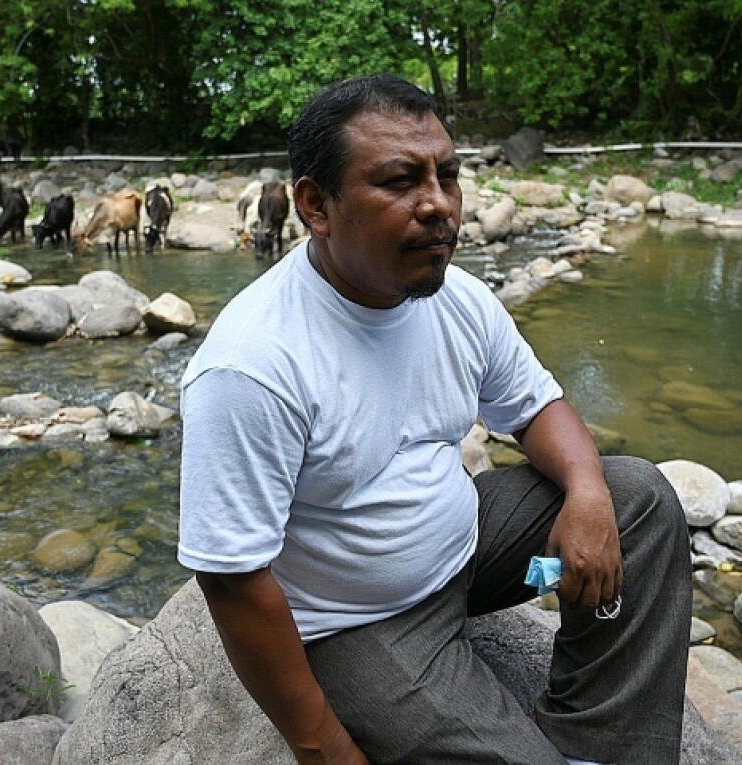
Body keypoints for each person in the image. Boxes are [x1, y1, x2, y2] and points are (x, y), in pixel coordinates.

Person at [178, 73, 691, 765]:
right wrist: (323, 745)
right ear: (315, 205)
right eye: (400, 181)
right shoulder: (252, 365)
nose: (439, 205)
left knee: (638, 499)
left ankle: (594, 743)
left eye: (446, 175)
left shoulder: (458, 299)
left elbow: (537, 407)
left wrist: (588, 493)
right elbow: (231, 577)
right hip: (357, 621)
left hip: (470, 554)